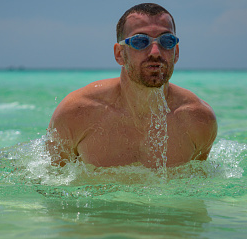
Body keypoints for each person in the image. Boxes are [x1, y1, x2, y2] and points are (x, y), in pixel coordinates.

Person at [47, 3, 217, 168]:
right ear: (119, 54)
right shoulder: (77, 113)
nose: (156, 52)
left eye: (167, 41)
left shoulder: (198, 119)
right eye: (140, 41)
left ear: (176, 52)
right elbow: (51, 186)